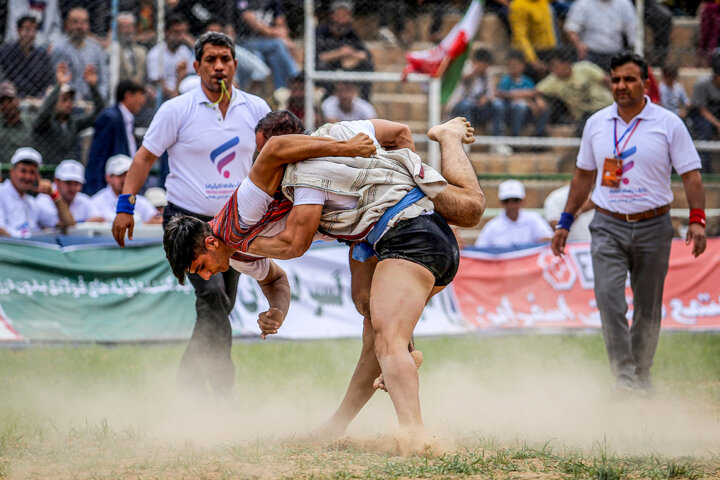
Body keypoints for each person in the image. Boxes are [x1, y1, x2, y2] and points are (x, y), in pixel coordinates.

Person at [163, 114, 484, 441]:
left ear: (210, 243)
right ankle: (339, 424)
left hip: (407, 227)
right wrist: (277, 310)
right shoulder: (239, 246)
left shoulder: (268, 196)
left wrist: (363, 156)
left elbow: (294, 238)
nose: (206, 274)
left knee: (388, 339)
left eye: (201, 265)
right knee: (370, 313)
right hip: (386, 233)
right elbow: (275, 279)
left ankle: (414, 435)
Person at [111, 31, 274, 398]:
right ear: (197, 65)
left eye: (226, 59)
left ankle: (189, 381)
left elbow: (275, 156)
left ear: (235, 65)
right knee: (213, 295)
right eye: (211, 60)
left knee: (220, 305)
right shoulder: (176, 109)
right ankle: (220, 389)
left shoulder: (256, 108)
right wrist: (126, 206)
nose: (219, 66)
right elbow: (144, 158)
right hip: (186, 222)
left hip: (234, 223)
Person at [551, 51, 707, 394]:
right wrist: (565, 220)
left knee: (648, 306)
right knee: (609, 299)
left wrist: (697, 219)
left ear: (645, 82)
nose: (621, 86)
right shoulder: (596, 123)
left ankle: (642, 372)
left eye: (629, 79)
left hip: (654, 226)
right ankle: (624, 377)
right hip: (607, 224)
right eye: (616, 80)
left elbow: (691, 176)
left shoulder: (668, 123)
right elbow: (582, 175)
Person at [32, 61, 104, 165]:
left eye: (71, 100)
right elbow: (44, 114)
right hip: (49, 175)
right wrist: (58, 86)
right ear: (53, 102)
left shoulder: (73, 123)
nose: (69, 103)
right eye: (64, 100)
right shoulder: (45, 124)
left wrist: (92, 87)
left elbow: (99, 114)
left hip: (71, 174)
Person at [84, 80, 146, 195]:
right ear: (128, 95)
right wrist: (97, 191)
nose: (143, 101)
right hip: (109, 189)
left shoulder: (127, 120)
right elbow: (98, 157)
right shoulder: (110, 118)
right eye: (140, 96)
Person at [537, 47, 613, 136]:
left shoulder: (585, 68)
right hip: (586, 114)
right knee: (582, 132)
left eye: (556, 66)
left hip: (606, 106)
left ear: (565, 63)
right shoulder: (553, 79)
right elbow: (534, 92)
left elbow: (608, 81)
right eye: (552, 68)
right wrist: (538, 98)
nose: (554, 70)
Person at [447, 48, 507, 154]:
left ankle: (497, 142)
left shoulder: (487, 73)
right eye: (484, 64)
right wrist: (473, 72)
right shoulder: (467, 69)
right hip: (462, 107)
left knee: (498, 105)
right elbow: (462, 83)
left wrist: (486, 98)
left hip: (478, 108)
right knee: (466, 105)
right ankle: (465, 142)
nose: (485, 67)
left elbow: (491, 93)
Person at [0, 147, 69, 237]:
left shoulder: (32, 203)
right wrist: (25, 244)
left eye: (32, 172)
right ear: (12, 172)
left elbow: (67, 224)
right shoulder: (1, 192)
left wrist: (54, 195)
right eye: (23, 171)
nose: (28, 177)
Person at [234, 0, 300, 90]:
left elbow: (281, 24)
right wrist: (276, 35)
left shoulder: (273, 2)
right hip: (247, 41)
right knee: (278, 45)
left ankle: (280, 91)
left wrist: (284, 38)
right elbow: (253, 23)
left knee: (276, 55)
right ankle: (296, 76)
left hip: (268, 42)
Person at [316, 1, 375, 100]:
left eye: (346, 15)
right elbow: (318, 57)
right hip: (326, 70)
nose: (342, 19)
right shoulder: (321, 32)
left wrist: (353, 53)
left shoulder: (350, 33)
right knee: (322, 65)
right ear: (332, 15)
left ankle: (365, 100)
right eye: (339, 14)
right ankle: (328, 99)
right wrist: (339, 53)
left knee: (367, 65)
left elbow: (366, 54)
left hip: (345, 68)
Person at [474, 179, 553, 249]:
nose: (511, 205)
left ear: (522, 201)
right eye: (507, 201)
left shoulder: (534, 219)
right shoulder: (492, 226)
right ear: (501, 203)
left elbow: (548, 240)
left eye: (515, 200)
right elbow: (480, 250)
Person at [51, 7, 109, 101]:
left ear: (88, 26)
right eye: (75, 22)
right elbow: (64, 81)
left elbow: (104, 80)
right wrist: (78, 101)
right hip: (69, 101)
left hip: (94, 100)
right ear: (67, 25)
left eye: (84, 22)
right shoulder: (60, 49)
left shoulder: (96, 48)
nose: (80, 26)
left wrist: (99, 99)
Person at [564, 0, 637, 72]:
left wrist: (634, 49)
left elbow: (632, 29)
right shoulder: (583, 3)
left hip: (615, 52)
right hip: (590, 52)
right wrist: (578, 45)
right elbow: (571, 29)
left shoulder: (624, 3)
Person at [91, 154, 160, 223]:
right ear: (108, 178)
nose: (125, 179)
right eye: (120, 175)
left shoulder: (141, 201)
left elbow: (158, 219)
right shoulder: (96, 202)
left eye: (128, 175)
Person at [495, 51, 548, 137]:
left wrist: (538, 100)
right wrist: (528, 101)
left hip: (528, 112)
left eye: (517, 64)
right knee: (519, 106)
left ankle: (539, 135)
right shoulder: (506, 80)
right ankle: (515, 135)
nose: (514, 67)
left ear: (523, 66)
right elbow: (504, 95)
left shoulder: (527, 80)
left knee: (543, 108)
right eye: (511, 65)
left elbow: (533, 93)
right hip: (511, 112)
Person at [0, 15, 54, 99]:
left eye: (34, 30)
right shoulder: (5, 52)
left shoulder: (42, 56)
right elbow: (3, 79)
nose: (31, 34)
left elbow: (48, 82)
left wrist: (39, 96)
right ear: (18, 30)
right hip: (11, 100)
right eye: (27, 30)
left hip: (37, 101)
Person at [36, 159, 103, 225]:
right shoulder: (44, 200)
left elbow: (99, 220)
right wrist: (85, 223)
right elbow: (64, 225)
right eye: (68, 183)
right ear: (56, 181)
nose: (72, 188)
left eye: (77, 183)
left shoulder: (84, 199)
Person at [146, 13, 195, 100]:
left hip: (184, 93)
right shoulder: (156, 54)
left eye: (183, 32)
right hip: (162, 98)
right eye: (176, 33)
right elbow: (161, 86)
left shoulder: (185, 51)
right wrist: (179, 78)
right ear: (166, 33)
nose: (180, 37)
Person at [507, 0, 556, 81]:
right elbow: (520, 37)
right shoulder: (519, 6)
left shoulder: (542, 1)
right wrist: (533, 60)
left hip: (549, 51)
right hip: (532, 53)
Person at [688, 51, 720, 173]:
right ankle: (704, 169)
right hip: (700, 116)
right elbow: (701, 109)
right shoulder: (702, 84)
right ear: (716, 75)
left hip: (716, 116)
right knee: (705, 131)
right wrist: (718, 124)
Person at [0, 82, 33, 163]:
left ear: (17, 100)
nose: (7, 105)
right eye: (2, 102)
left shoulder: (31, 121)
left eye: (10, 100)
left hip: (27, 172)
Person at [116, 11, 148, 86]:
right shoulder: (112, 51)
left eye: (130, 26)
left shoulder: (142, 51)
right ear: (117, 29)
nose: (127, 31)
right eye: (123, 27)